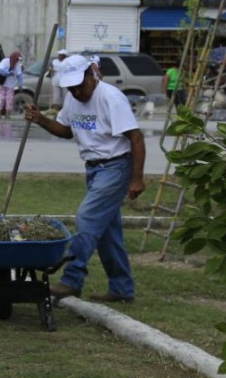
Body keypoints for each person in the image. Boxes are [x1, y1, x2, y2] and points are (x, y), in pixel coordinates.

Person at [23, 54, 146, 303]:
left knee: (86, 217)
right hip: (93, 169)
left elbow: (136, 138)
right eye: (71, 88)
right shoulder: (72, 99)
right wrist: (41, 120)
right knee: (108, 234)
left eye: (80, 85)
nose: (77, 91)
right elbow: (67, 130)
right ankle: (122, 289)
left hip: (116, 167)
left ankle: (72, 279)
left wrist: (137, 178)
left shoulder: (110, 97)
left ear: (92, 73)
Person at [0, 51, 23, 119]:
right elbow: (0, 70)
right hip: (2, 83)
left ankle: (8, 114)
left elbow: (19, 76)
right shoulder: (5, 61)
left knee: (9, 99)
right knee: (1, 98)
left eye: (18, 59)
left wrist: (20, 85)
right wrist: (8, 73)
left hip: (10, 85)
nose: (17, 61)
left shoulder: (17, 65)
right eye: (16, 59)